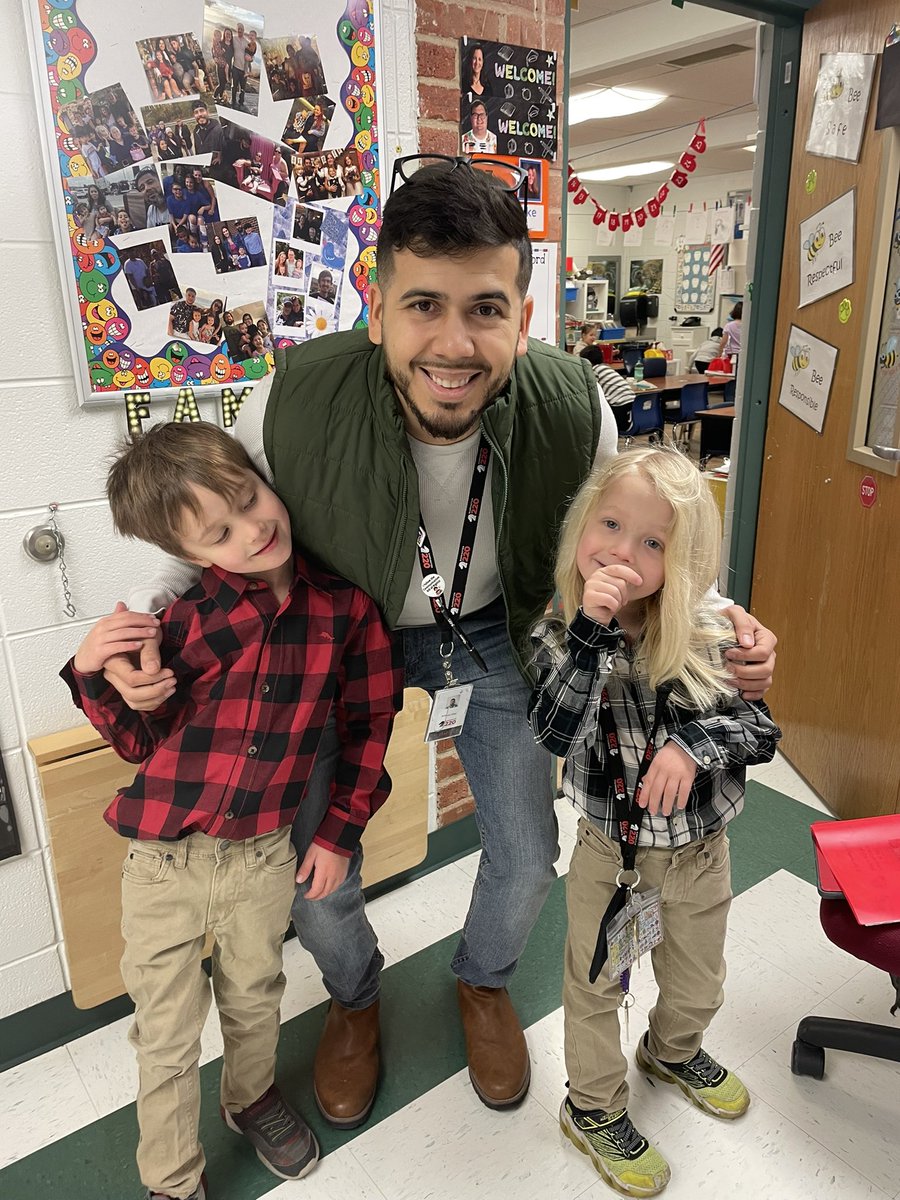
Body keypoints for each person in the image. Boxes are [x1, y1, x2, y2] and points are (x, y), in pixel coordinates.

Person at [101, 162, 778, 1131]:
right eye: (424, 305)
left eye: (485, 309)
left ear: (524, 312)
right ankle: (355, 993)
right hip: (335, 650)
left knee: (528, 850)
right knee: (309, 863)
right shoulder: (287, 402)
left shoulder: (572, 402)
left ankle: (483, 980)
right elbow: (209, 521)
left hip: (497, 637)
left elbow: (638, 528)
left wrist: (722, 616)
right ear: (377, 308)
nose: (455, 344)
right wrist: (127, 625)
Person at [61, 421, 400, 1200]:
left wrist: (339, 833)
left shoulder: (347, 612)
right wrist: (93, 676)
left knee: (256, 997)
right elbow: (139, 745)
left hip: (264, 857)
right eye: (221, 531)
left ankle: (250, 1098)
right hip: (162, 862)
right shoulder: (181, 625)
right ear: (191, 553)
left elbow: (367, 728)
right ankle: (172, 1179)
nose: (253, 529)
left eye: (250, 500)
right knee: (166, 1032)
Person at [528, 446, 780, 1196]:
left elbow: (761, 731)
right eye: (610, 523)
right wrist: (593, 633)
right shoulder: (557, 636)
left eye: (653, 542)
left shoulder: (707, 630)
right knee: (595, 986)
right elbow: (554, 730)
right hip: (613, 855)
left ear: (684, 556)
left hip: (703, 854)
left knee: (699, 980)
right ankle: (593, 1107)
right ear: (583, 524)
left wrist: (695, 744)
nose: (623, 552)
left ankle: (672, 1051)